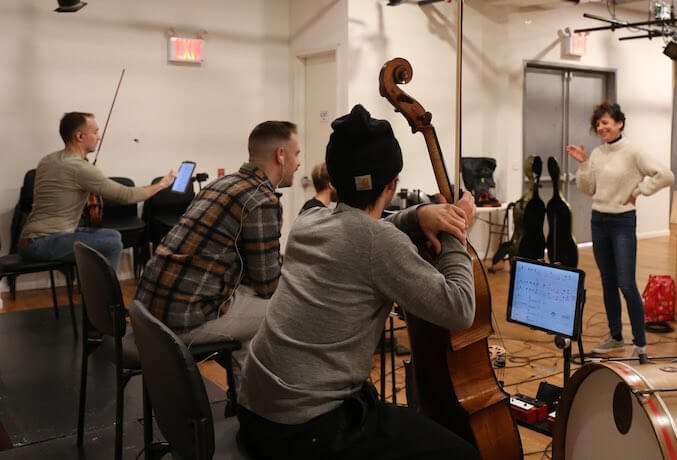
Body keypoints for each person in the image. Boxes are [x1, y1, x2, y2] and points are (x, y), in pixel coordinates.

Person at [238, 104, 481, 460]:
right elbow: (460, 309)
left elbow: (365, 230)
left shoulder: (309, 219)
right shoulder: (378, 243)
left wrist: (419, 214)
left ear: (332, 180)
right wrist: (456, 234)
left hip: (256, 409)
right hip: (304, 429)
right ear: (393, 183)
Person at [135, 120, 301, 378]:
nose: (299, 162)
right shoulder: (261, 200)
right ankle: (257, 401)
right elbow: (267, 285)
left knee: (251, 329)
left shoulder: (220, 183)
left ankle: (246, 397)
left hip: (149, 311)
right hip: (182, 319)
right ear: (281, 155)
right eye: (297, 154)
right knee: (286, 311)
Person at [566, 102, 674, 357]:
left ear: (619, 123)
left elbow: (665, 175)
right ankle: (615, 337)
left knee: (626, 283)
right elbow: (588, 189)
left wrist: (639, 191)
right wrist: (582, 165)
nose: (601, 128)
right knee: (608, 282)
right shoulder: (597, 153)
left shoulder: (633, 151)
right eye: (598, 124)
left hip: (622, 222)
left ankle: (640, 343)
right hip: (598, 220)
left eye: (606, 122)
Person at [19, 112, 175, 270]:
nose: (99, 137)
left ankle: (92, 290)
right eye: (95, 132)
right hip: (42, 243)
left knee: (112, 235)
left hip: (32, 238)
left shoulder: (49, 159)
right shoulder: (78, 168)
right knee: (111, 243)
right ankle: (105, 293)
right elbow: (127, 196)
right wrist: (162, 184)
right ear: (79, 136)